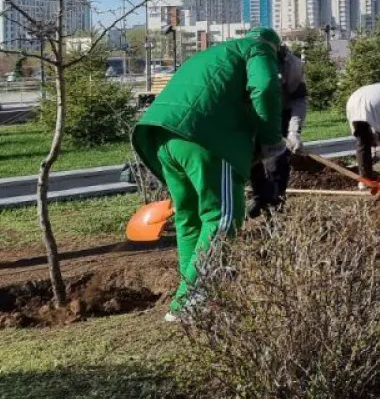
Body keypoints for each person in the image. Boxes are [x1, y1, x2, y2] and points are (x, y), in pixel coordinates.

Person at [131, 29, 285, 320]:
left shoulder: (211, 55)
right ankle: (190, 302)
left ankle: (192, 297)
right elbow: (264, 89)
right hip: (205, 139)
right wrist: (272, 140)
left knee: (189, 217)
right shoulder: (257, 48)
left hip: (162, 137)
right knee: (222, 217)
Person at [248, 34, 309, 217]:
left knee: (277, 161)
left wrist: (293, 131)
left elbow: (299, 99)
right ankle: (260, 195)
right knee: (252, 157)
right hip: (252, 114)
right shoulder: (244, 62)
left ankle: (276, 205)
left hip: (281, 114)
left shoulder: (291, 65)